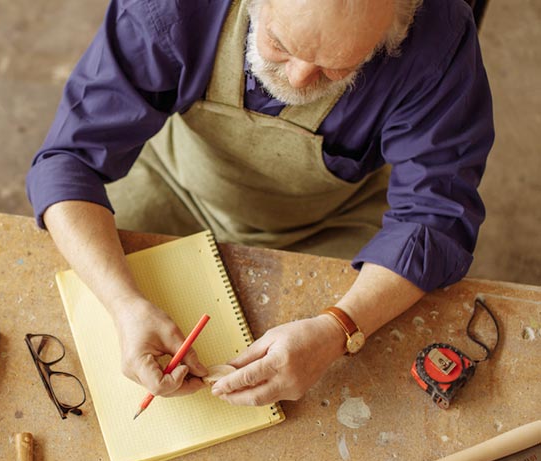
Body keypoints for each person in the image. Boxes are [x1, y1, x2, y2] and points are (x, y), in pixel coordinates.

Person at [26, 0, 494, 406]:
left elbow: (434, 219)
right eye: (280, 44)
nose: (298, 78)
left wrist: (338, 327)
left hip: (333, 217)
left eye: (337, 65)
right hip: (177, 179)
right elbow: (68, 159)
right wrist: (124, 304)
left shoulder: (438, 36)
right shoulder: (173, 7)